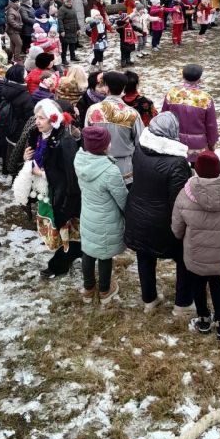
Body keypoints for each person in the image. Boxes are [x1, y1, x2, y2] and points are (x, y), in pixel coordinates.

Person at [172, 150, 220, 339]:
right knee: (215, 282)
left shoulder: (185, 194)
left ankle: (203, 318)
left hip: (194, 252)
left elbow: (177, 228)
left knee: (197, 283)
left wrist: (181, 237)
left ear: (196, 169)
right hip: (219, 253)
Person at [125, 112, 193, 315]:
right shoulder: (177, 164)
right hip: (163, 222)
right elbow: (178, 201)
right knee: (183, 258)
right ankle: (183, 303)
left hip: (138, 215)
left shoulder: (139, 150)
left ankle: (149, 299)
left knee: (144, 256)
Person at [21, 99, 82, 279]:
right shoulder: (38, 135)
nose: (37, 122)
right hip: (46, 192)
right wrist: (27, 158)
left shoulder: (65, 141)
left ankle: (62, 261)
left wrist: (43, 174)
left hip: (61, 194)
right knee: (60, 229)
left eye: (42, 118)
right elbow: (37, 160)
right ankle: (67, 257)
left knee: (67, 230)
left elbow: (70, 174)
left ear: (53, 119)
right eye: (36, 117)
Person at [74, 127, 128, 305]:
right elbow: (122, 198)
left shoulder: (79, 160)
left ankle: (88, 289)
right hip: (106, 219)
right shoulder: (109, 171)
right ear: (104, 147)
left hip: (88, 215)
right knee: (104, 255)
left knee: (88, 251)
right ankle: (105, 290)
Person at [85, 71, 143, 184]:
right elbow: (139, 142)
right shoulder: (132, 114)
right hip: (124, 169)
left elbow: (87, 137)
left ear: (106, 88)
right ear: (123, 88)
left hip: (98, 165)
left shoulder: (93, 110)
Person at [162, 64, 219, 165]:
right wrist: (212, 142)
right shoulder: (205, 98)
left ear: (183, 76)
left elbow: (164, 118)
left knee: (177, 169)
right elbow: (211, 125)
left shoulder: (172, 94)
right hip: (197, 145)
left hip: (175, 141)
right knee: (196, 168)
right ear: (199, 79)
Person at [57, 0, 80, 66]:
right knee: (64, 45)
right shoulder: (62, 9)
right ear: (65, 2)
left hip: (73, 30)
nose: (69, 3)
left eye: (70, 1)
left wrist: (78, 28)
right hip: (66, 30)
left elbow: (76, 19)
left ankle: (72, 56)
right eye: (68, 1)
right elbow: (59, 20)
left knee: (72, 44)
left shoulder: (73, 8)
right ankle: (63, 59)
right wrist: (62, 30)